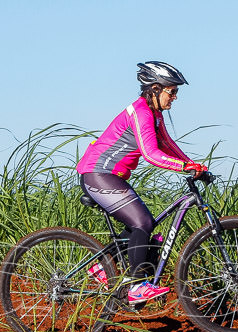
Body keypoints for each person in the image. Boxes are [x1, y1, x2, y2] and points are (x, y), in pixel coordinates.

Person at [76, 61, 208, 303]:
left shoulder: (154, 114)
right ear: (155, 88)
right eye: (172, 91)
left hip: (110, 176)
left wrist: (193, 165)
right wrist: (183, 167)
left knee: (142, 225)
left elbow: (167, 144)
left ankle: (102, 268)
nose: (175, 97)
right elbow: (151, 154)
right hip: (97, 174)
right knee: (143, 222)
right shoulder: (141, 112)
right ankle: (137, 286)